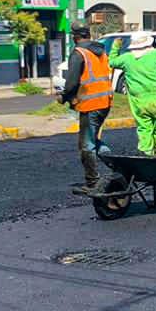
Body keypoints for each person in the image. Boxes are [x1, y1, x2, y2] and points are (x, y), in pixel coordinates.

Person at [60, 26, 114, 190]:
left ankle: (93, 181)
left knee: (86, 145)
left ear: (75, 37)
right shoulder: (101, 51)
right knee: (93, 140)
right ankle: (118, 165)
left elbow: (72, 82)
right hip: (105, 102)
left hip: (90, 104)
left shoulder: (79, 53)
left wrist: (64, 96)